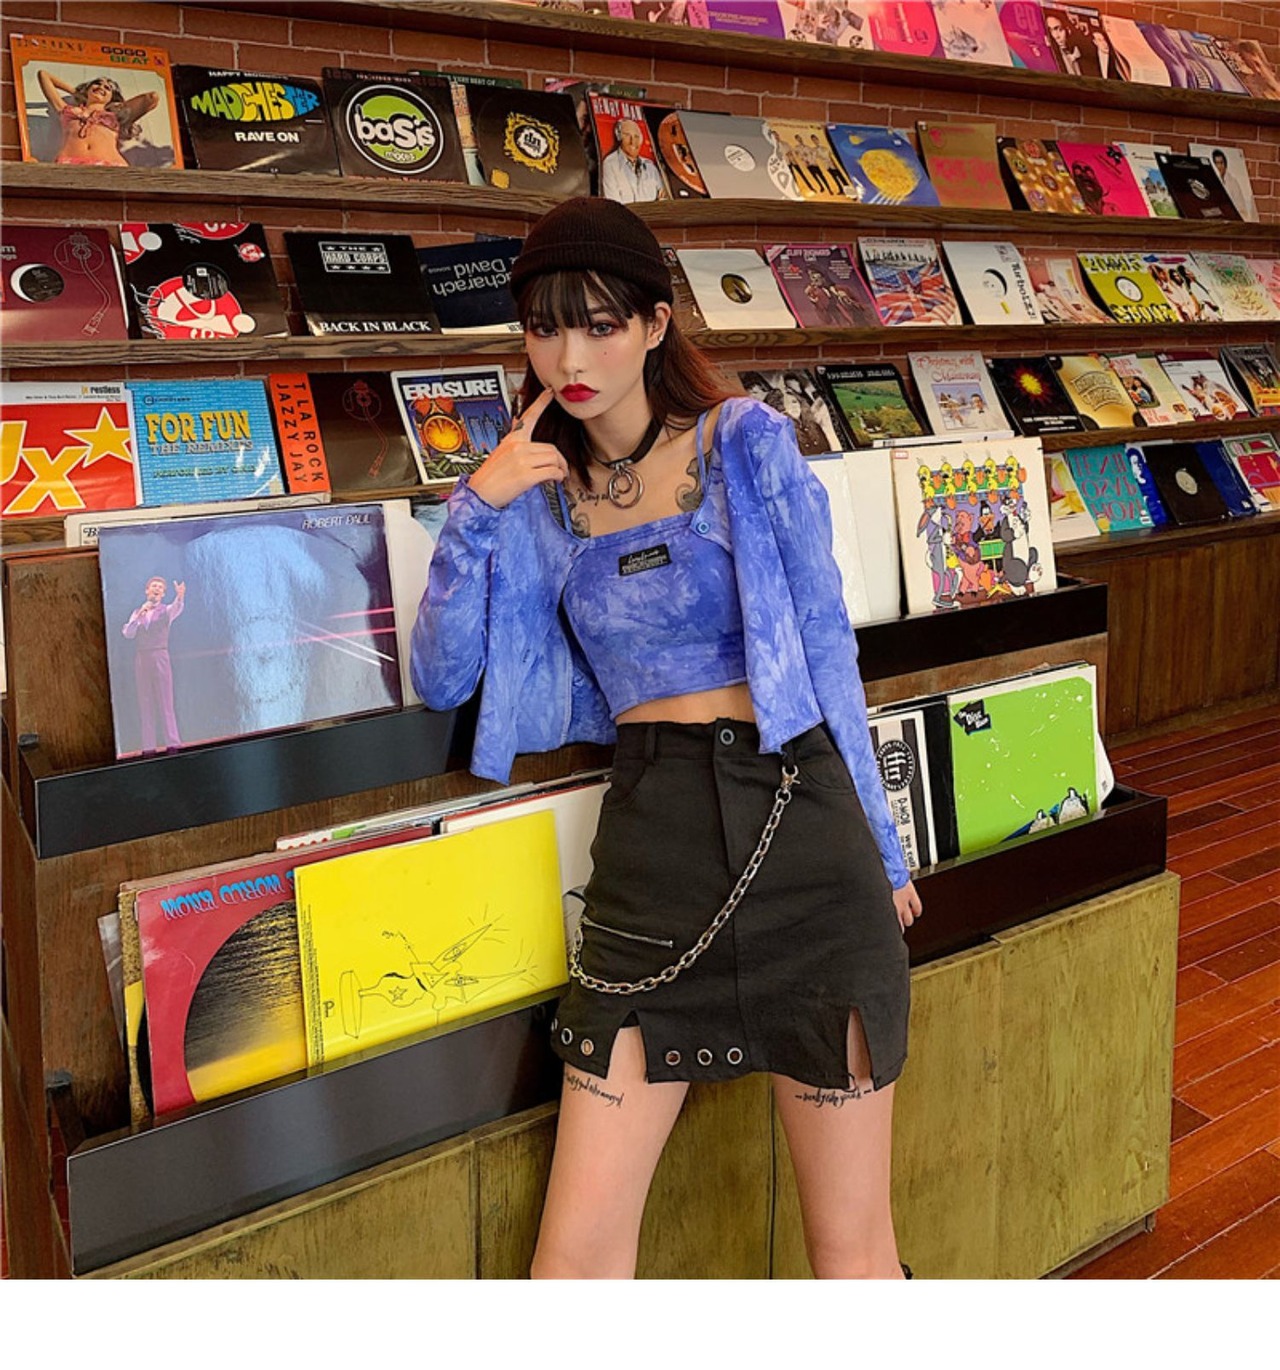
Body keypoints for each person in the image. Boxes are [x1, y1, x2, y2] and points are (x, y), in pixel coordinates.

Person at [411, 198, 922, 1280]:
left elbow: (826, 648)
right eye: (546, 328)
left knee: (851, 1253)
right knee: (571, 1264)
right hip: (653, 847)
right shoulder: (534, 497)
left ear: (653, 325)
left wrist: (884, 852)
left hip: (802, 829)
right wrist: (475, 507)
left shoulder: (746, 444)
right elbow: (443, 677)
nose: (570, 357)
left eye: (599, 325)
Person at [36, 69, 158, 166]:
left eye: (107, 88)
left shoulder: (116, 116)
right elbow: (44, 75)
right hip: (70, 164)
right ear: (87, 89)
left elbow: (151, 98)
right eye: (97, 84)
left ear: (111, 97)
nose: (101, 87)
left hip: (110, 166)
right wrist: (77, 93)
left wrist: (119, 105)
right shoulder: (67, 110)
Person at [122, 575, 184, 753]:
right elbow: (128, 633)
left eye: (160, 587)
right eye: (154, 586)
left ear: (163, 594)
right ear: (147, 590)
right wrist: (139, 615)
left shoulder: (166, 611)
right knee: (145, 702)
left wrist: (179, 597)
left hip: (160, 655)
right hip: (142, 658)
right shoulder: (137, 612)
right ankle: (148, 747)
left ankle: (173, 744)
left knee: (165, 702)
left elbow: (176, 608)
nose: (156, 589)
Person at [599, 117, 669, 203]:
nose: (633, 142)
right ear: (619, 137)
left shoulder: (650, 168)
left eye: (636, 136)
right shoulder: (610, 164)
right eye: (627, 135)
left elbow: (664, 202)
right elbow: (613, 206)